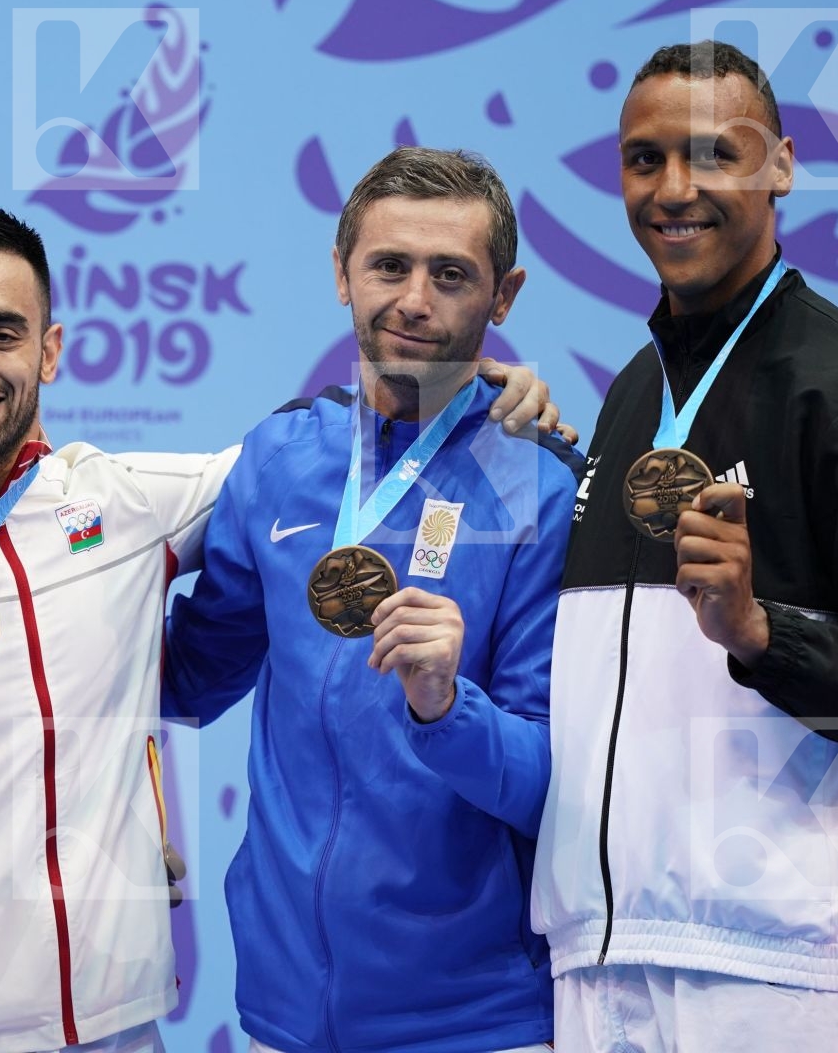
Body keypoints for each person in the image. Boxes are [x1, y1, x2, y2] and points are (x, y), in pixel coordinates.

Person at [0, 198, 572, 1051]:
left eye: (4, 332)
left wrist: (473, 386)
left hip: (118, 1025)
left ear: (49, 352)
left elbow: (333, 458)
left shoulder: (125, 505)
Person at [531, 40, 838, 1052]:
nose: (675, 188)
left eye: (714, 153)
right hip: (610, 964)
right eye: (645, 159)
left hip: (788, 977)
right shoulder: (633, 397)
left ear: (781, 164)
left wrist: (760, 634)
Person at [163, 147, 583, 1053]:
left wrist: (445, 706)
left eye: (452, 275)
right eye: (390, 265)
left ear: (503, 297)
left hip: (475, 1024)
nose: (416, 301)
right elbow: (188, 681)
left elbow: (562, 783)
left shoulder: (538, 492)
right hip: (284, 1013)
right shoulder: (278, 462)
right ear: (342, 272)